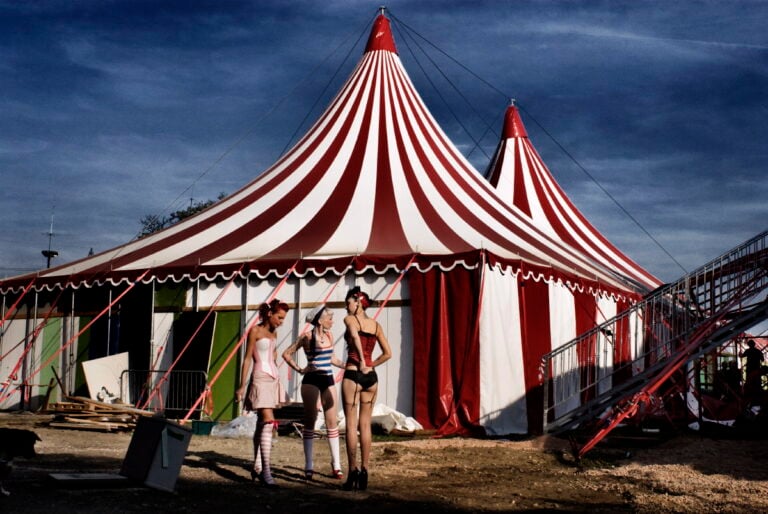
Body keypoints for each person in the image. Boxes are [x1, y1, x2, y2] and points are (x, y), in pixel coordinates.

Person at [282, 303, 345, 480]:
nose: (332, 321)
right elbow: (286, 354)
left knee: (332, 420)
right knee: (310, 419)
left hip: (327, 378)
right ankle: (309, 465)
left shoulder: (330, 335)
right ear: (320, 320)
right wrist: (301, 369)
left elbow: (332, 358)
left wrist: (345, 365)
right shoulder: (306, 337)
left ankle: (337, 465)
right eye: (330, 318)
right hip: (311, 379)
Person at [341, 286, 392, 491]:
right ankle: (365, 470)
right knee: (365, 425)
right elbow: (388, 353)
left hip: (354, 372)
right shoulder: (376, 325)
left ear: (358, 302)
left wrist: (362, 360)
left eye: (349, 303)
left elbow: (354, 336)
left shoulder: (351, 319)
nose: (347, 307)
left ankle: (352, 471)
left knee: (351, 425)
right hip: (371, 378)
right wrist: (371, 365)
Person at [235, 298, 289, 489]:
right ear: (270, 314)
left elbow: (273, 355)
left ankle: (257, 465)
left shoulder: (274, 334)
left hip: (273, 378)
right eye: (279, 318)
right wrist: (242, 386)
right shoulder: (255, 331)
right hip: (260, 377)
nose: (281, 322)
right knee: (268, 421)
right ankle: (267, 471)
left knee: (261, 424)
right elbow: (248, 358)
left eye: (283, 319)